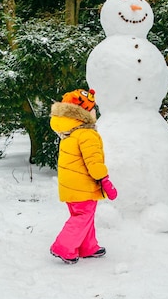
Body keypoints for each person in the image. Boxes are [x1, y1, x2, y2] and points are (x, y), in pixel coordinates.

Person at [49, 88, 118, 264]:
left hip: (70, 185)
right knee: (83, 216)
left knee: (84, 216)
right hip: (83, 185)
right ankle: (64, 247)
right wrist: (104, 180)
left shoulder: (68, 133)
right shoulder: (87, 134)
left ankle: (88, 246)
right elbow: (93, 162)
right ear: (85, 113)